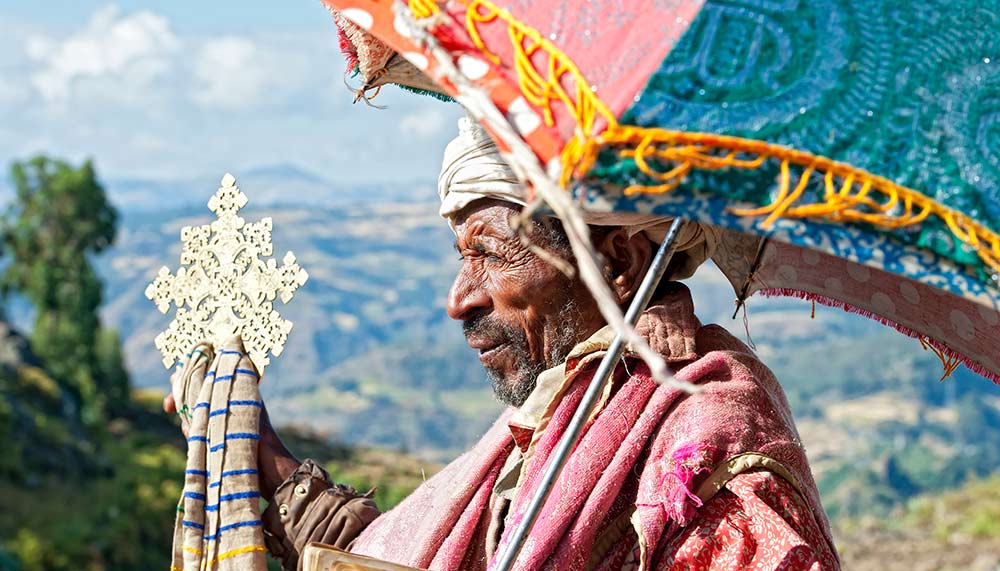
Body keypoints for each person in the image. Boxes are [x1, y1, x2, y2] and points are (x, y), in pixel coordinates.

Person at [166, 118, 840, 571]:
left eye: (490, 253)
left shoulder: (717, 462)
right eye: (463, 258)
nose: (460, 297)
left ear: (620, 259)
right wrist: (260, 449)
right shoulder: (565, 417)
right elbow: (407, 552)